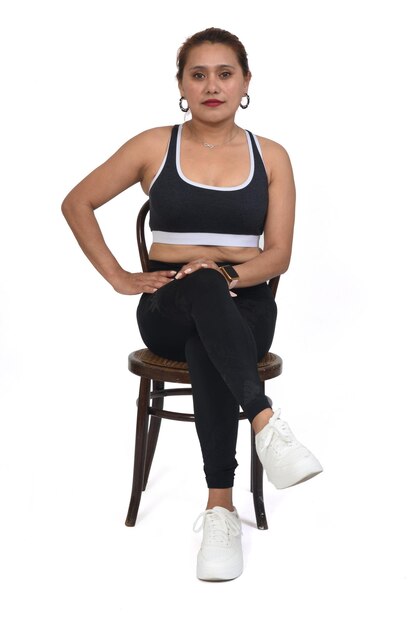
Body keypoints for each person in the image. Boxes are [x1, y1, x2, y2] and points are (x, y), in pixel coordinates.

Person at [62, 26, 323, 581]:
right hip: (167, 306)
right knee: (201, 291)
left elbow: (278, 255)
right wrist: (119, 276)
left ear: (245, 82)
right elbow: (77, 201)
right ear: (181, 85)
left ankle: (220, 508)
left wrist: (223, 274)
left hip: (247, 309)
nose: (212, 85)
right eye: (198, 74)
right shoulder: (154, 146)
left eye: (224, 73)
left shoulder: (271, 155)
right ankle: (265, 421)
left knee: (211, 322)